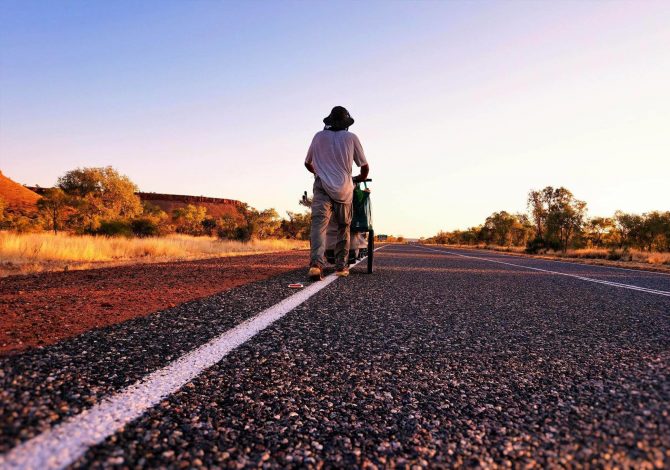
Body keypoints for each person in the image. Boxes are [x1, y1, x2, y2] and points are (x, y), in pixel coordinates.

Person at [304, 106, 370, 280]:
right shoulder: (351, 138)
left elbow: (307, 163)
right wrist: (358, 178)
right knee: (343, 227)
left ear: (330, 122)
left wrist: (319, 172)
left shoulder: (318, 136)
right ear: (346, 123)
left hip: (322, 186)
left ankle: (316, 265)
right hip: (344, 188)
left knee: (319, 226)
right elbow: (364, 167)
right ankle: (341, 267)